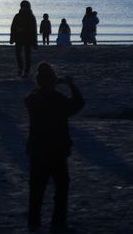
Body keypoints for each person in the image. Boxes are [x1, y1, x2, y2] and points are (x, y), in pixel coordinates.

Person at [24, 63, 85, 232]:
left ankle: (34, 223)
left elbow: (31, 95)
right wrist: (70, 84)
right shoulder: (58, 100)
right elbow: (79, 103)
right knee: (61, 187)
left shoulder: (33, 100)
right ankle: (58, 222)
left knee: (36, 189)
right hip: (57, 149)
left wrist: (50, 84)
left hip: (37, 149)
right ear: (52, 82)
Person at [11, 0, 38, 77]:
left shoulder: (31, 16)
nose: (24, 8)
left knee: (27, 55)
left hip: (28, 39)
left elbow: (34, 30)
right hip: (20, 38)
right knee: (19, 54)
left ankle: (26, 70)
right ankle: (21, 68)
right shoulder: (18, 16)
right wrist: (12, 37)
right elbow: (13, 27)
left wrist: (35, 42)